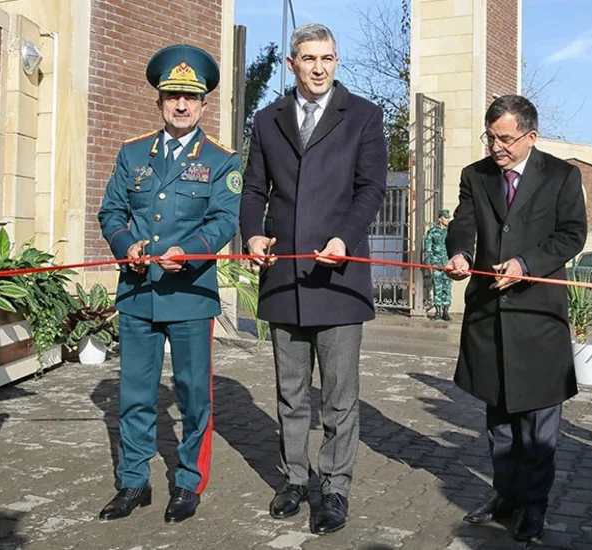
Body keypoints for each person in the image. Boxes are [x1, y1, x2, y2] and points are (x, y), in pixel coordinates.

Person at [240, 24, 387, 535]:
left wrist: (345, 238)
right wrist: (252, 237)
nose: (320, 67)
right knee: (290, 392)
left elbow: (371, 188)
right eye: (309, 59)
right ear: (291, 63)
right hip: (284, 275)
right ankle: (294, 479)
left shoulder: (364, 116)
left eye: (328, 58)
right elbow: (254, 188)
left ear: (337, 61)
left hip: (339, 276)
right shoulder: (266, 120)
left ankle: (336, 487)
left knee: (341, 395)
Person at [97, 44, 242, 523]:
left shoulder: (221, 161)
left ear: (204, 105)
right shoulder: (133, 153)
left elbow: (225, 218)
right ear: (159, 101)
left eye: (191, 97)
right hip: (138, 293)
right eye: (172, 96)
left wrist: (193, 249)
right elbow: (111, 211)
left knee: (193, 395)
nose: (181, 105)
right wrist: (127, 247)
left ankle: (187, 483)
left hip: (190, 295)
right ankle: (134, 481)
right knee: (135, 394)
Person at [444, 95, 587, 542]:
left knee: (538, 431)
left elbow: (571, 235)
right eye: (490, 137)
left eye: (505, 139)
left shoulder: (563, 176)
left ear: (531, 136)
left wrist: (526, 264)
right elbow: (463, 223)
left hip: (538, 321)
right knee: (499, 424)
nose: (496, 147)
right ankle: (505, 497)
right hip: (490, 321)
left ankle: (535, 509)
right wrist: (460, 253)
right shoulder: (476, 175)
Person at [424, 209, 453, 321]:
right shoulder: (433, 232)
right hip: (436, 264)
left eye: (448, 218)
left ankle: (446, 311)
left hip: (448, 264)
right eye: (446, 218)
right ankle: (438, 312)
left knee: (447, 287)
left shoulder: (450, 232)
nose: (447, 220)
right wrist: (429, 264)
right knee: (437, 287)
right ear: (440, 219)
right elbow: (428, 249)